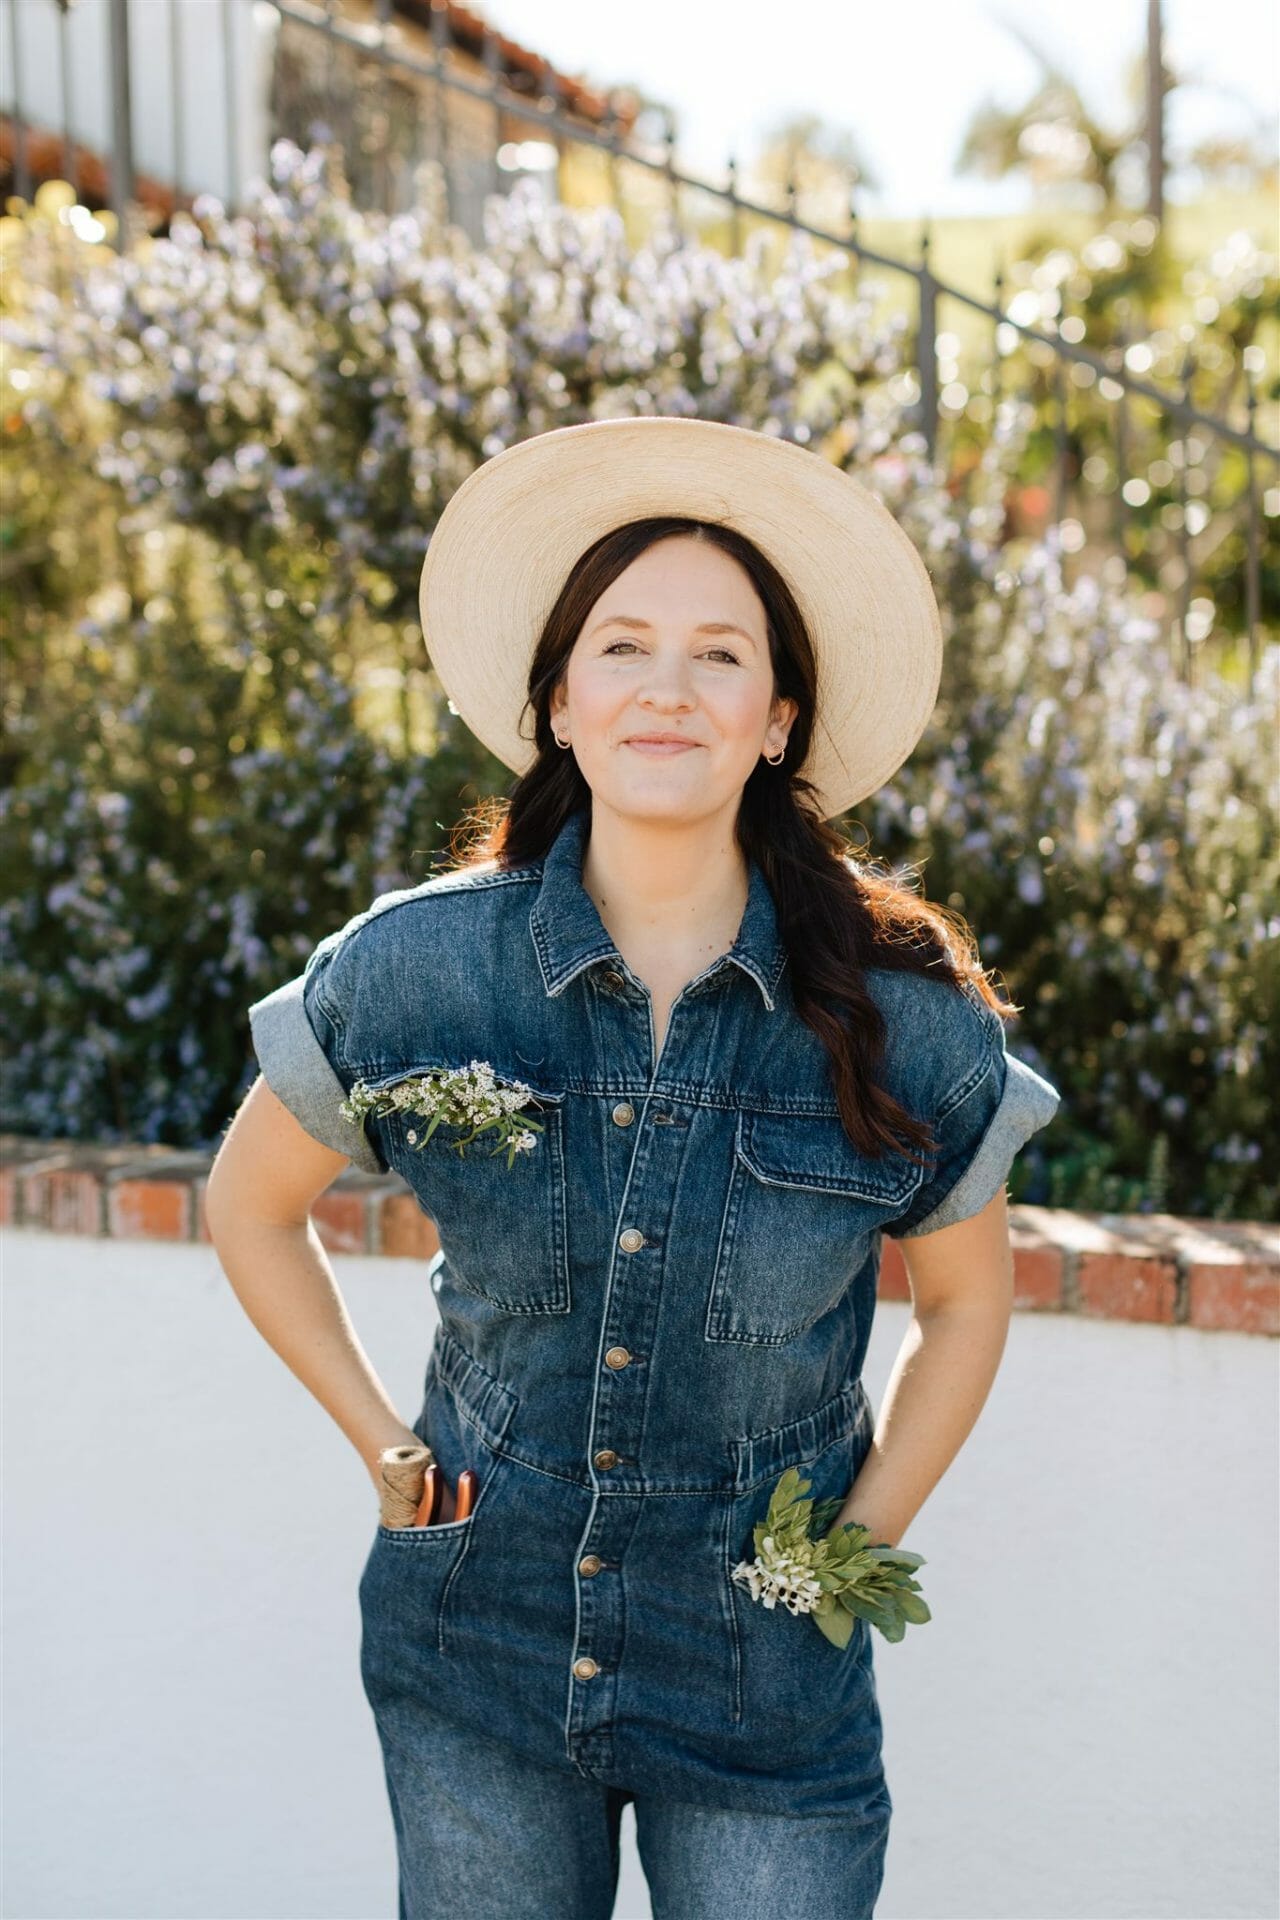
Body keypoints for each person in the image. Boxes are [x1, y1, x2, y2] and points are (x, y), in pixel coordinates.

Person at [205, 416, 1062, 1920]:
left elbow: (969, 1308)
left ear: (781, 718)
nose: (669, 688)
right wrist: (380, 1447)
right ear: (556, 699)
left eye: (721, 656)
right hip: (475, 1651)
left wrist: (853, 1555)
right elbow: (250, 1205)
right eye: (624, 645)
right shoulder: (417, 975)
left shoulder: (902, 1026)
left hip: (763, 1686)